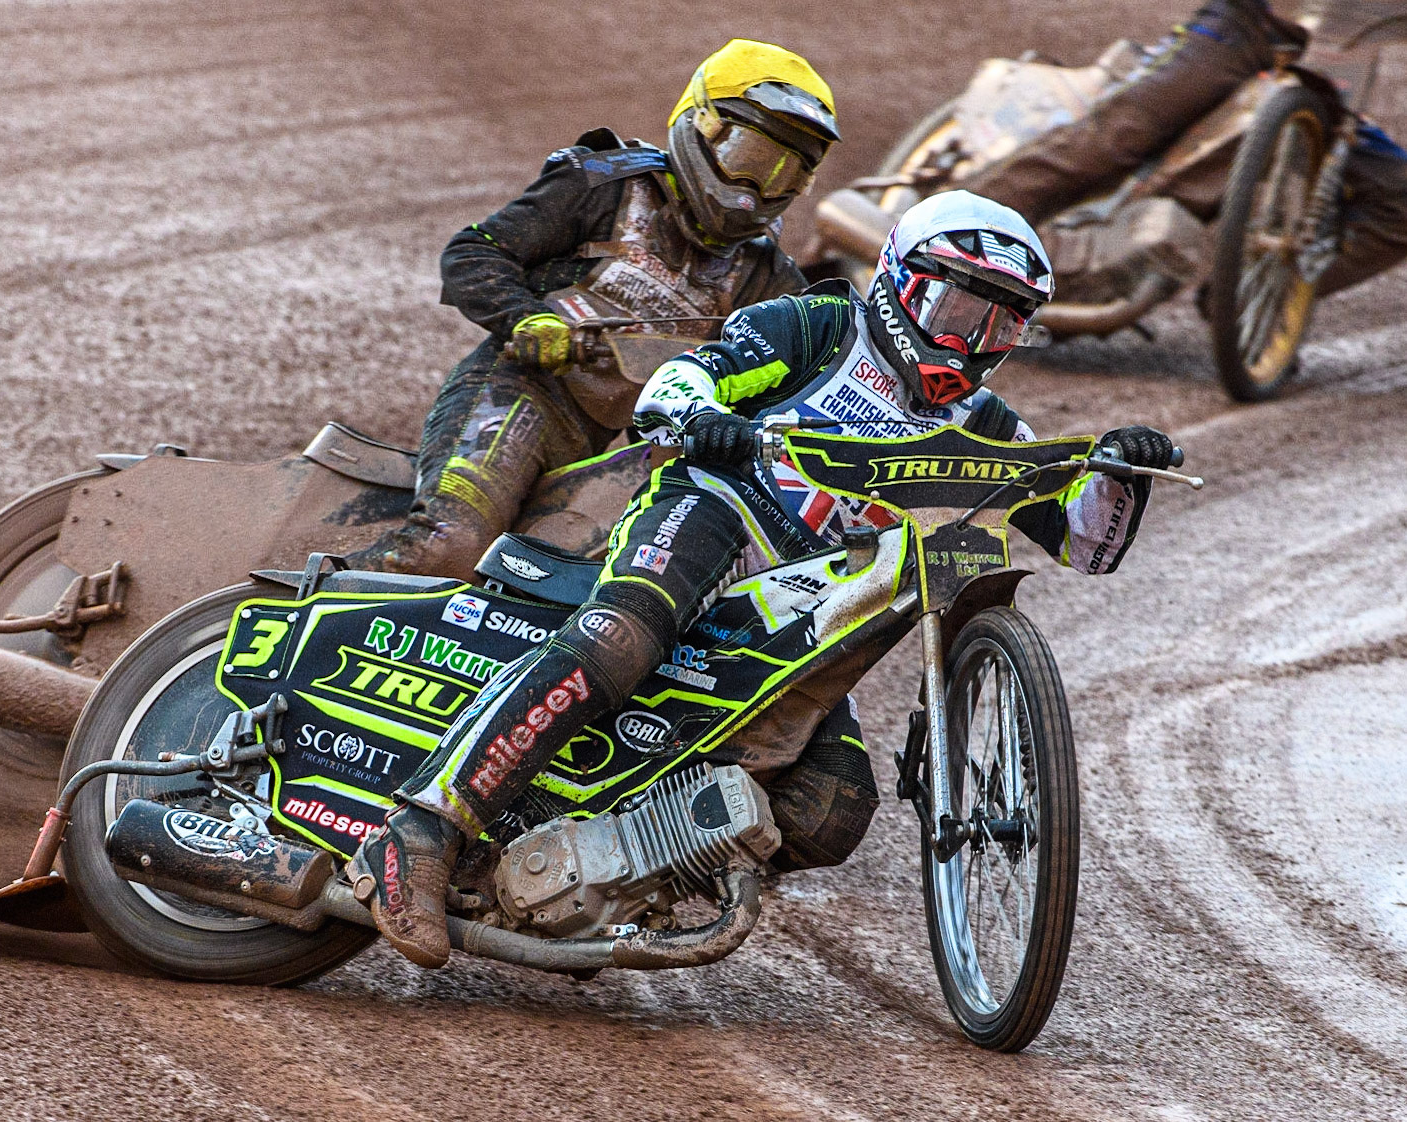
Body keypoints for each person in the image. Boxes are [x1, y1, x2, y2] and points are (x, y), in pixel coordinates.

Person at [348, 190, 1178, 968]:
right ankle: (418, 832)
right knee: (621, 636)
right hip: (717, 511)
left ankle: (625, 872)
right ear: (899, 283)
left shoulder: (985, 424)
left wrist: (1119, 471)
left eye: (1001, 326)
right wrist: (702, 419)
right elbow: (688, 376)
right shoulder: (817, 326)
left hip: (807, 598)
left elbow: (1085, 545)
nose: (970, 342)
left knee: (833, 807)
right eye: (956, 309)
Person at [344, 40, 840, 582]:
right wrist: (525, 319)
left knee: (618, 587)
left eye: (787, 177)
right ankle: (285, 621)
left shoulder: (769, 277)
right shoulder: (603, 184)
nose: (756, 193)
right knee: (449, 551)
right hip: (523, 395)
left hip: (644, 451)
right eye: (750, 160)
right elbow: (475, 251)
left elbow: (817, 371)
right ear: (701, 124)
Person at [955, 0, 1407, 296]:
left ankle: (1253, 300)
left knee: (1400, 198)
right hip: (1247, 29)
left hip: (1330, 80)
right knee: (1122, 133)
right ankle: (954, 230)